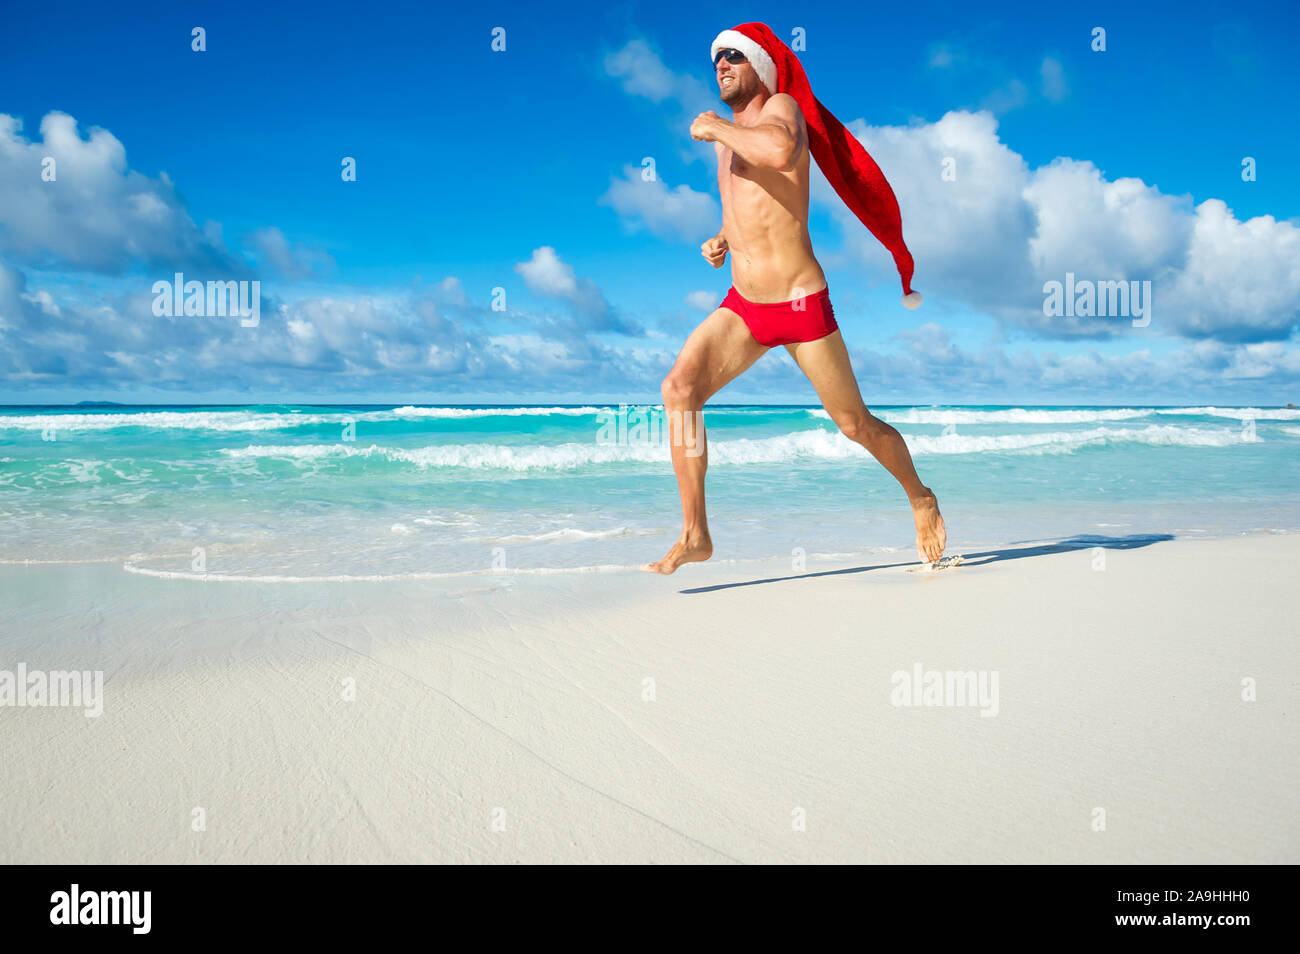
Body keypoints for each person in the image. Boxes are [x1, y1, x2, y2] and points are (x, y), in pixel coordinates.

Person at [641, 23, 946, 574]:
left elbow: (780, 153)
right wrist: (722, 239)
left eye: (733, 55)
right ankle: (695, 534)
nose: (721, 66)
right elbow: (753, 209)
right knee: (678, 389)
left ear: (762, 65)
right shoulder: (729, 140)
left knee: (855, 425)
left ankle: (920, 495)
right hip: (744, 306)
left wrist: (713, 127)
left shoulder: (780, 109)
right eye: (715, 60)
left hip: (801, 305)